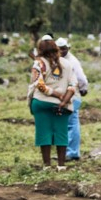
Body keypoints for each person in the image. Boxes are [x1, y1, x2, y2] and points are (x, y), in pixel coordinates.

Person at [30, 38, 77, 170]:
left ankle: (47, 165)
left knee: (43, 132)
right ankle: (61, 165)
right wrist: (63, 101)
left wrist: (55, 93)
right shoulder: (67, 64)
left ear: (40, 50)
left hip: (41, 103)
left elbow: (40, 85)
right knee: (61, 132)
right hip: (60, 104)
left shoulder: (38, 63)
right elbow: (73, 85)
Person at [56, 38, 89, 161]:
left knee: (71, 124)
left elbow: (81, 78)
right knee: (66, 124)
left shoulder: (72, 61)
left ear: (68, 48)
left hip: (72, 96)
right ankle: (67, 151)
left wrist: (83, 88)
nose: (62, 51)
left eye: (64, 48)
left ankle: (73, 152)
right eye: (59, 49)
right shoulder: (60, 60)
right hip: (64, 95)